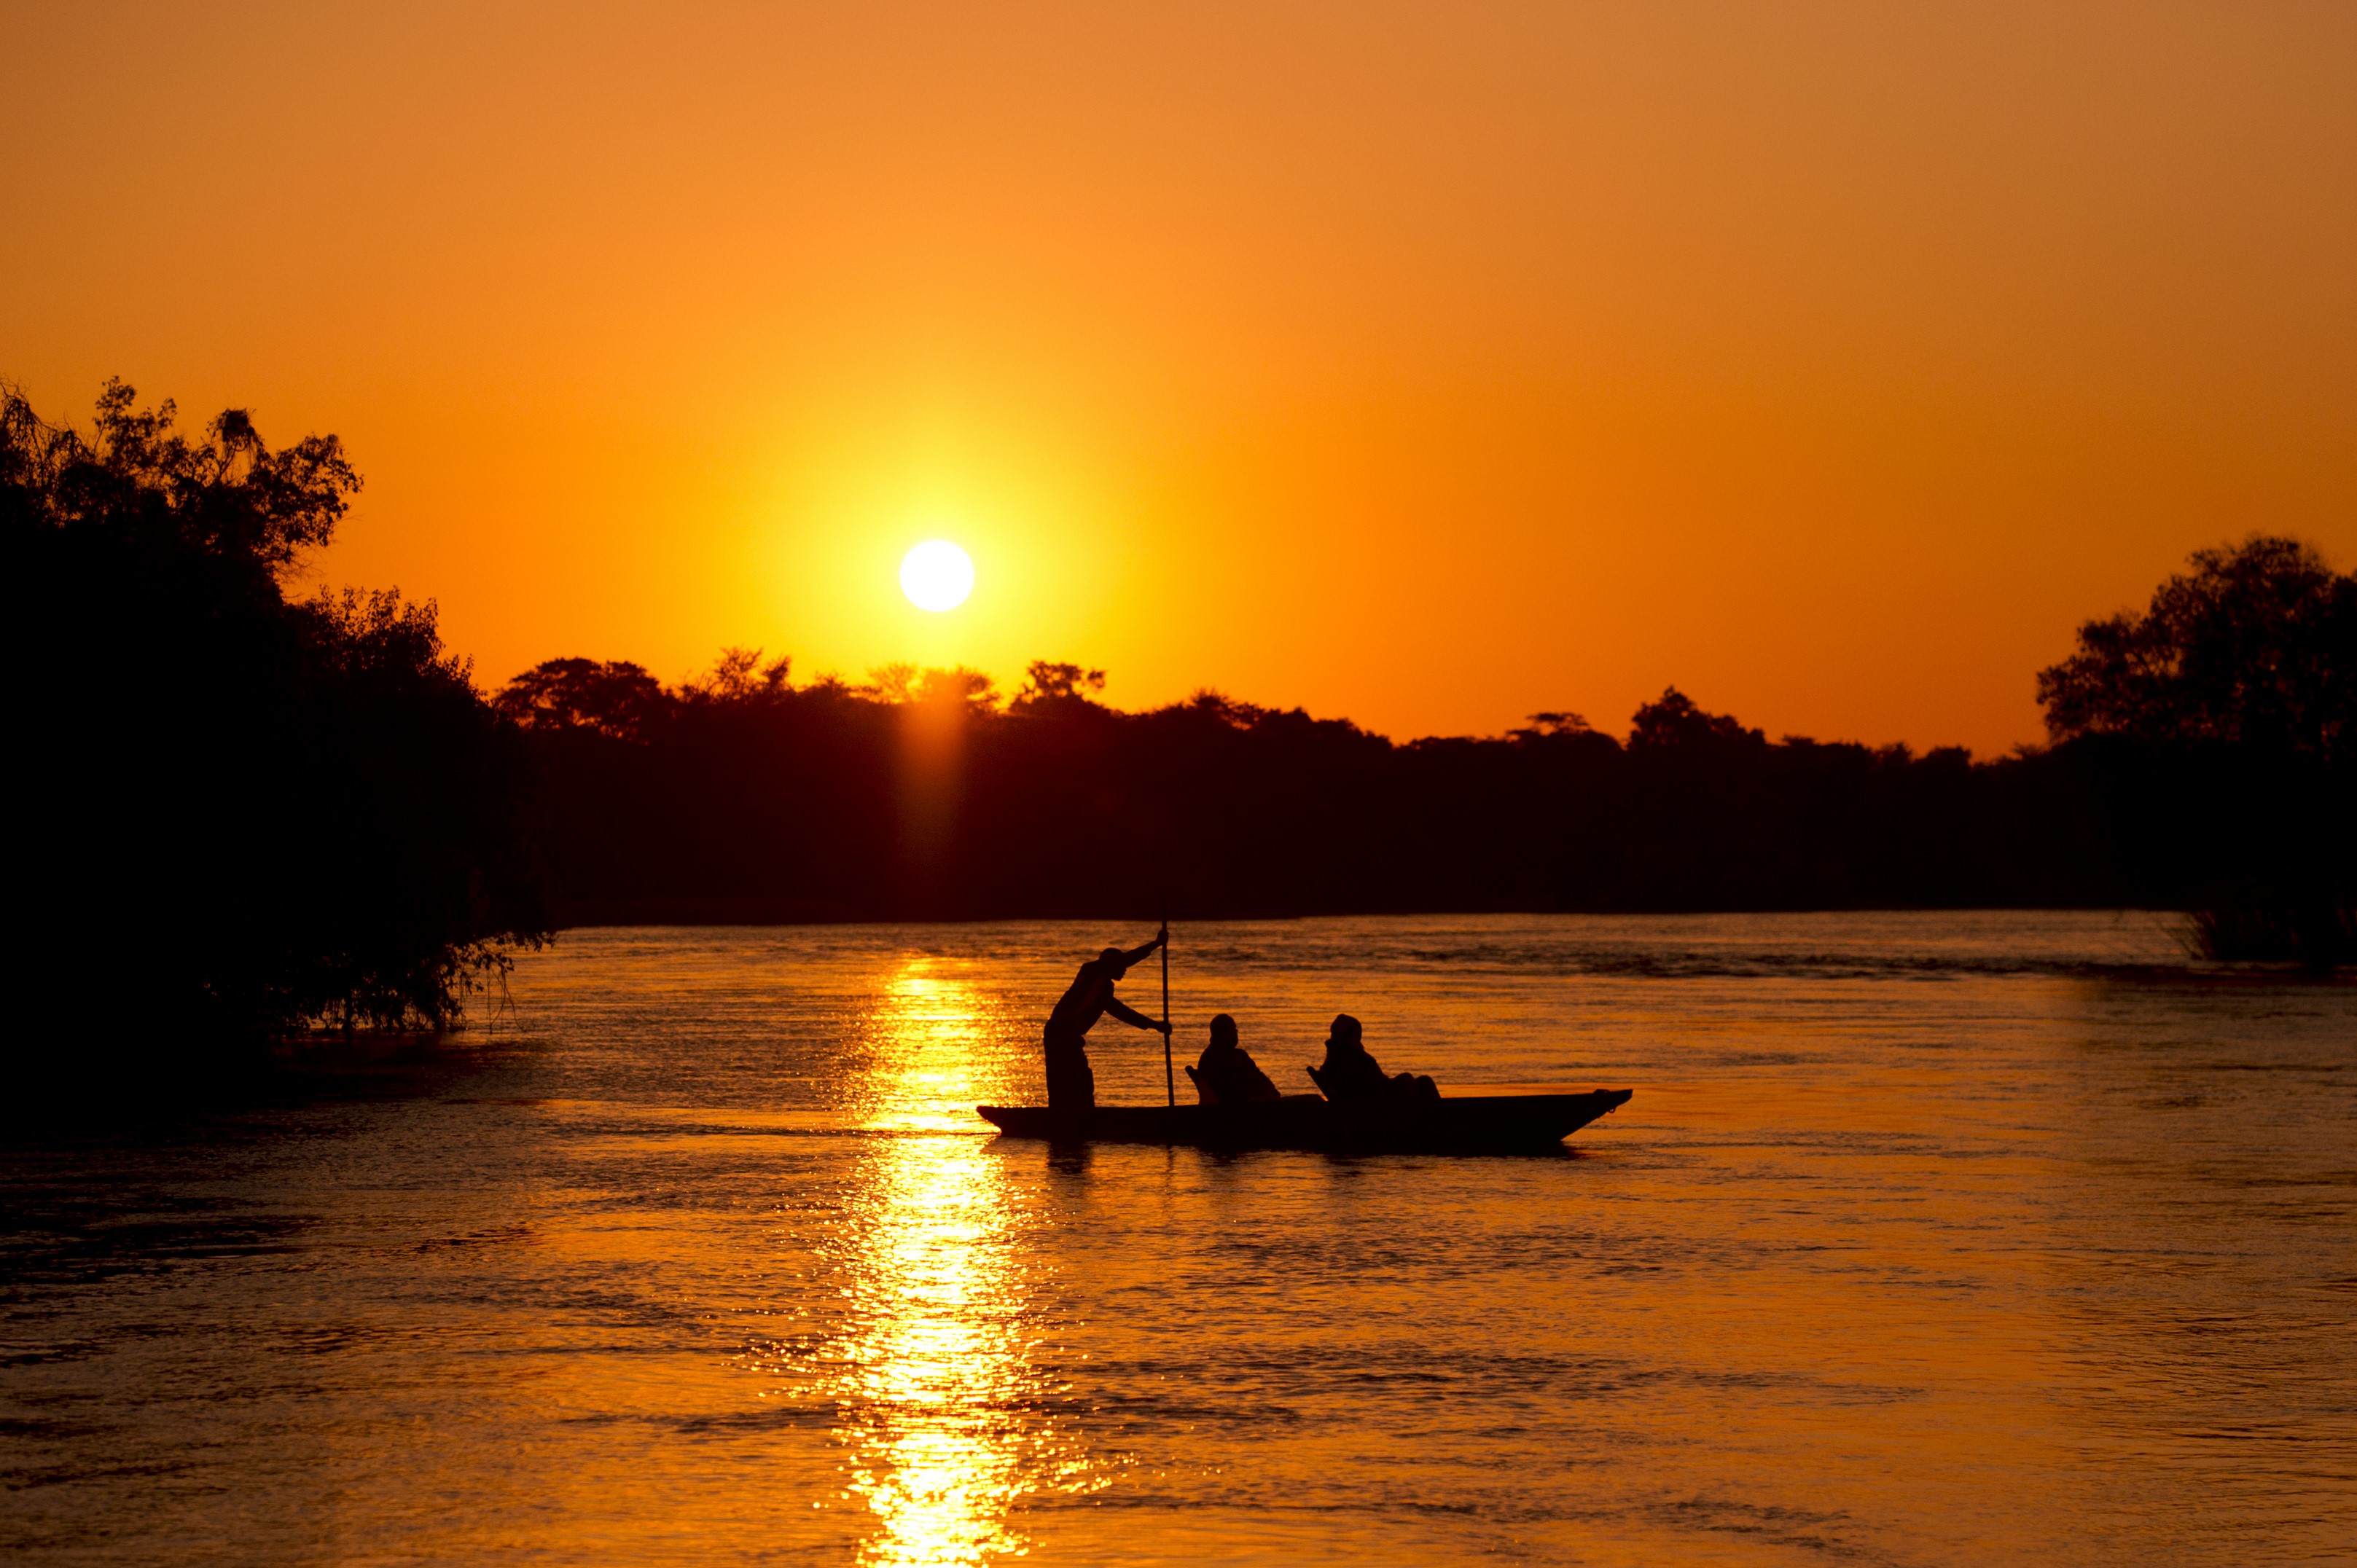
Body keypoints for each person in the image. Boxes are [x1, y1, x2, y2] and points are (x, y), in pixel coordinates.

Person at [1041, 927, 1170, 1110]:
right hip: (1061, 1032)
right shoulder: (1091, 971)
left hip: (1068, 1034)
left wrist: (1153, 1025)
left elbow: (1121, 1012)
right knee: (1067, 1079)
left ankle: (1077, 1114)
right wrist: (1156, 944)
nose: (1125, 970)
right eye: (1122, 966)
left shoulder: (1104, 989)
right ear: (1111, 965)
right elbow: (1125, 960)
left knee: (1078, 1080)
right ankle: (1065, 1116)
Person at [1312, 1014, 1437, 1103]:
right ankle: (1415, 1122)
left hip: (1376, 1093)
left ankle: (1438, 1117)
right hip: (1369, 1103)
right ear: (1346, 1035)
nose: (1358, 1037)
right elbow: (1359, 1087)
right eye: (1355, 1034)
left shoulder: (1351, 1053)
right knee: (1406, 1080)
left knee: (1424, 1081)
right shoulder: (1339, 1059)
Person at [1192, 1014, 1281, 1104]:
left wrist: (1271, 1092)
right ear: (1225, 1033)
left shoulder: (1240, 1055)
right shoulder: (1213, 1059)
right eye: (1234, 1030)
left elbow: (1260, 1077)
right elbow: (1231, 1089)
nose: (1236, 1032)